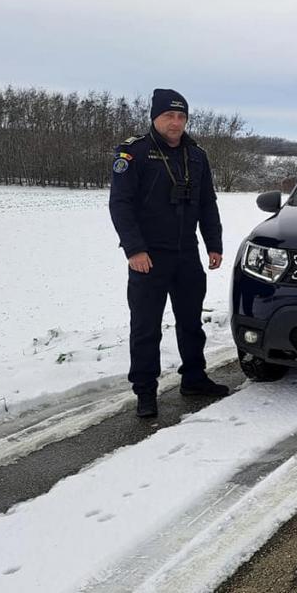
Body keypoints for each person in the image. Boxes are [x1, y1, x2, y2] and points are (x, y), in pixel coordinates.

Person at [109, 88, 228, 417]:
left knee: (191, 321)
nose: (175, 122)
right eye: (168, 116)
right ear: (155, 118)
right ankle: (146, 391)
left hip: (186, 253)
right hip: (148, 256)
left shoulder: (196, 155)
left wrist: (213, 243)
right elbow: (121, 205)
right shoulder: (134, 153)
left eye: (181, 116)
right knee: (146, 326)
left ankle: (194, 377)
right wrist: (134, 249)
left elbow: (207, 202)